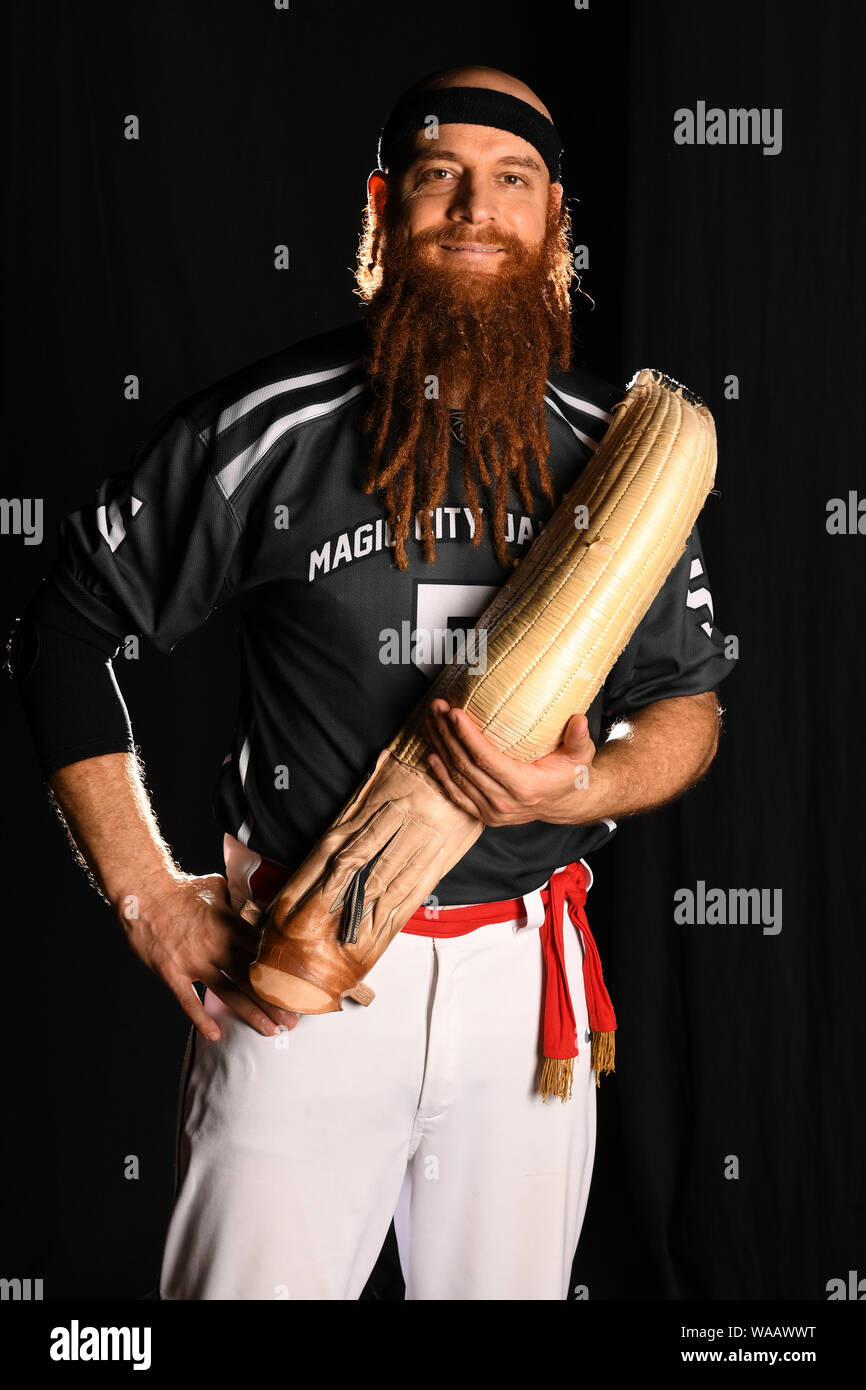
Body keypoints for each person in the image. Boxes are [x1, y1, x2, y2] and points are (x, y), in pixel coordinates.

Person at [7, 63, 736, 1300]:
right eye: (438, 175)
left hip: (523, 996)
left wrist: (580, 786)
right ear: (382, 206)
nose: (474, 208)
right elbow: (64, 627)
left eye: (512, 181)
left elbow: (687, 707)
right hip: (298, 977)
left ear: (554, 223)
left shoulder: (617, 460)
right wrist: (147, 896)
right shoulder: (267, 429)